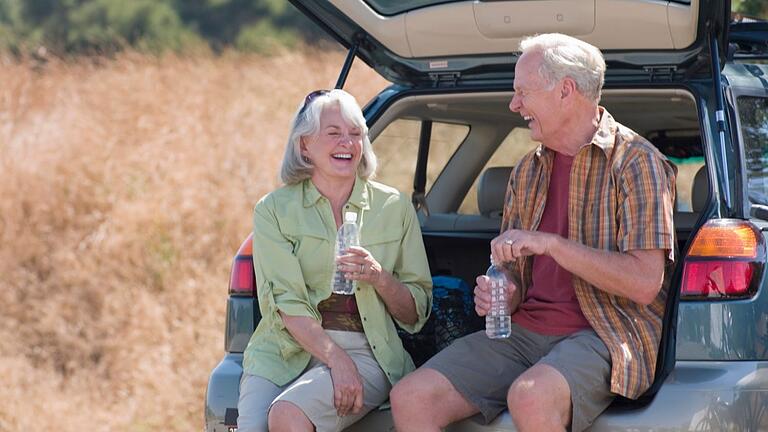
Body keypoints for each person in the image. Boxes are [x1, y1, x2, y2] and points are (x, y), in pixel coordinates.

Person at [390, 33, 676, 432]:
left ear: (566, 90)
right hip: (523, 333)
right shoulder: (527, 171)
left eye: (523, 92)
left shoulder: (637, 163)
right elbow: (516, 273)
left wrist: (553, 245)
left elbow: (646, 283)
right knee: (411, 397)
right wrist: (504, 289)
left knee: (530, 396)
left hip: (606, 331)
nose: (514, 105)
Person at [237, 89, 432, 432]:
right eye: (333, 133)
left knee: (287, 415)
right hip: (282, 348)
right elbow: (288, 305)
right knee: (254, 426)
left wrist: (379, 277)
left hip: (366, 351)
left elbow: (416, 313)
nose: (347, 142)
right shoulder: (273, 210)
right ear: (304, 146)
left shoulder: (395, 207)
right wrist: (335, 361)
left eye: (355, 133)